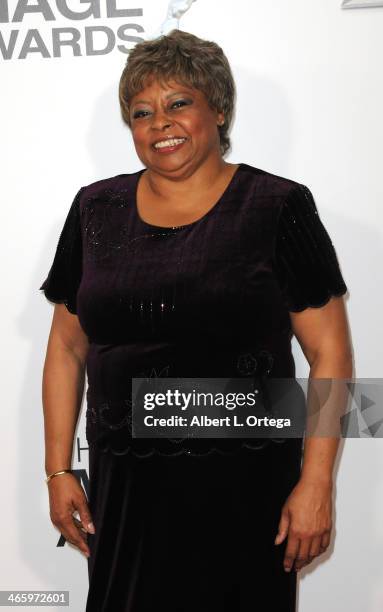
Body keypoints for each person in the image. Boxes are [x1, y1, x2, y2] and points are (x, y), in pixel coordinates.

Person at [39, 29, 353, 612]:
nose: (160, 123)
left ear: (219, 109)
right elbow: (64, 348)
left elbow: (330, 354)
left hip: (245, 484)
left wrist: (316, 484)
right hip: (126, 484)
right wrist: (59, 470)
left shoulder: (277, 206)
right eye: (142, 112)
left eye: (179, 103)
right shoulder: (94, 209)